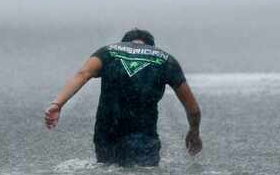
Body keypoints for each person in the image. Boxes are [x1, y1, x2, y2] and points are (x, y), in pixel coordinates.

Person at [44, 28, 202, 167]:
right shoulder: (166, 60)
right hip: (143, 137)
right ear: (151, 46)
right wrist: (194, 132)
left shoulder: (108, 52)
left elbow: (83, 74)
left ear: (124, 43)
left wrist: (57, 104)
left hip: (106, 133)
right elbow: (192, 109)